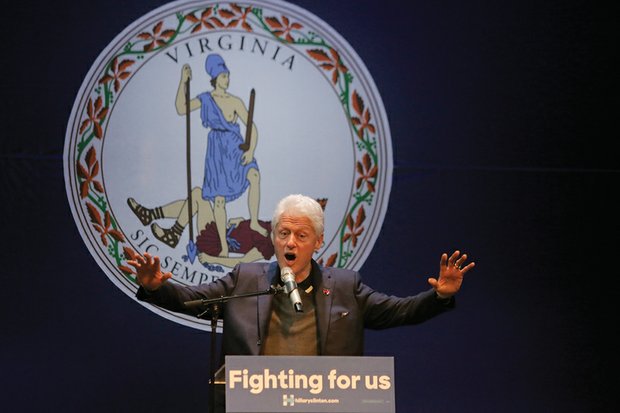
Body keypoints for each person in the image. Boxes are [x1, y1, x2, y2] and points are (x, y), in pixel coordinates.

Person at [129, 193, 475, 358]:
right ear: (273, 237)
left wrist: (440, 296)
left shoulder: (345, 287)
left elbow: (400, 311)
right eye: (282, 233)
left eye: (300, 235)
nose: (289, 242)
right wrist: (156, 288)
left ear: (318, 242)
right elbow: (193, 300)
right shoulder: (245, 280)